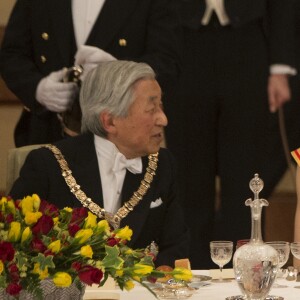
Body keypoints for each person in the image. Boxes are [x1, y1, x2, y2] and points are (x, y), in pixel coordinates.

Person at [9, 60, 189, 267]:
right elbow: (17, 248)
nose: (163, 119)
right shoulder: (49, 165)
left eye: (161, 106)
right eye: (151, 109)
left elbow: (176, 244)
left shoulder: (163, 164)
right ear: (109, 121)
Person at [163, 0, 297, 269]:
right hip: (183, 40)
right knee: (189, 174)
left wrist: (280, 66)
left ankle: (248, 272)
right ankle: (192, 270)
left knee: (245, 174)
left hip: (248, 40)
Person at [0, 0, 182, 147]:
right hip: (46, 133)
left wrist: (123, 75)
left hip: (122, 136)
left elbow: (167, 61)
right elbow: (12, 54)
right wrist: (38, 89)